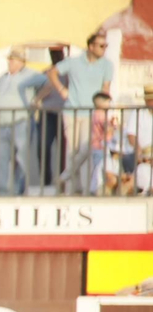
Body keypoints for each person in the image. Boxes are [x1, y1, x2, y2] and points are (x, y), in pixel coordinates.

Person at [45, 31, 116, 196]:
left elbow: (105, 89)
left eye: (105, 46)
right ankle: (73, 189)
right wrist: (62, 90)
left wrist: (104, 112)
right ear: (90, 47)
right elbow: (52, 72)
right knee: (72, 151)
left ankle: (73, 182)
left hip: (92, 114)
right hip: (72, 111)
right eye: (100, 46)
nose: (103, 49)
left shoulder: (107, 65)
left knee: (85, 150)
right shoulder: (74, 62)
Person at [0, 50, 44, 196]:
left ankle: (19, 189)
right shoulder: (4, 76)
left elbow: (48, 83)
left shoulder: (31, 75)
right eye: (9, 60)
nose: (10, 62)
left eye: (13, 60)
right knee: (1, 157)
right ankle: (2, 191)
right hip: (3, 123)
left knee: (21, 157)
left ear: (21, 62)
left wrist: (37, 99)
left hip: (21, 121)